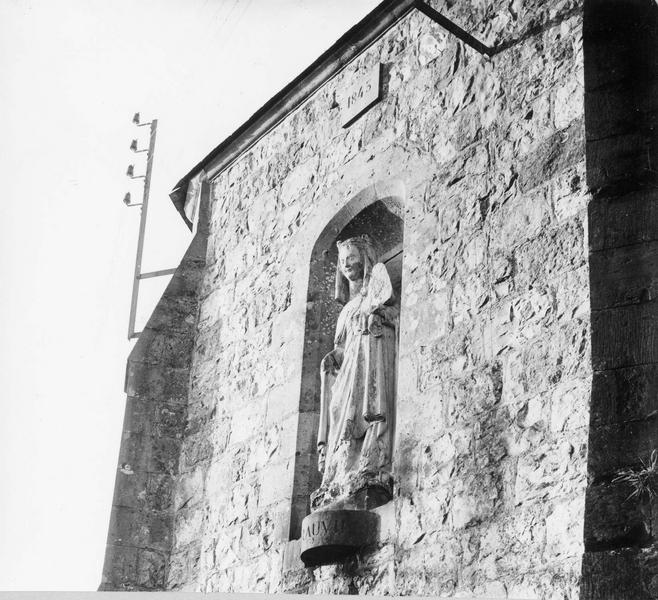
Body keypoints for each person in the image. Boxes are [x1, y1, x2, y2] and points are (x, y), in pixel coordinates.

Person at [312, 234, 398, 510]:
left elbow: (392, 317)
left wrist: (376, 318)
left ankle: (371, 459)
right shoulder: (346, 310)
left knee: (365, 410)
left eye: (352, 258)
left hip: (369, 362)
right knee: (341, 415)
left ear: (364, 260)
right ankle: (338, 472)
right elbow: (341, 348)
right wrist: (332, 358)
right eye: (342, 260)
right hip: (348, 373)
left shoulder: (374, 295)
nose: (347, 264)